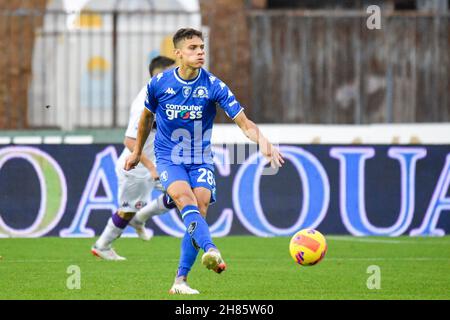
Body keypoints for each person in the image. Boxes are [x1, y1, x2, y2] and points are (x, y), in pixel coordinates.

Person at [125, 28, 284, 294]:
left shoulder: (214, 86)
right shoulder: (159, 84)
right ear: (178, 53)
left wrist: (264, 143)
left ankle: (180, 281)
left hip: (200, 159)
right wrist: (136, 152)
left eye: (201, 47)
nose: (200, 52)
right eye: (193, 48)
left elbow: (244, 124)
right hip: (169, 157)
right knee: (185, 200)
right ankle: (211, 249)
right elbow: (145, 120)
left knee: (198, 208)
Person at [91, 56, 176, 261]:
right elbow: (129, 141)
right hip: (137, 170)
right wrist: (151, 167)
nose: (177, 75)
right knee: (126, 212)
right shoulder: (143, 103)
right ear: (160, 75)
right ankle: (102, 245)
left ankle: (141, 218)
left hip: (155, 165)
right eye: (173, 72)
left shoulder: (165, 96)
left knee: (179, 193)